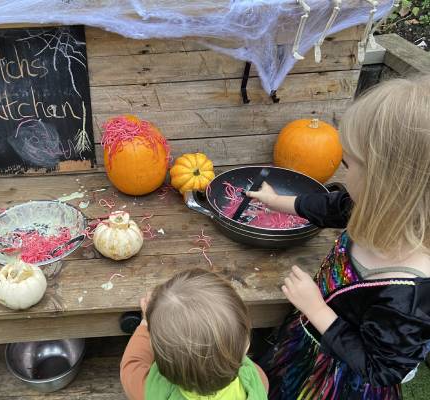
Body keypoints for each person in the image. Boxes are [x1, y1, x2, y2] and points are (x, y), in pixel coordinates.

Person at [248, 77, 430, 399]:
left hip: (336, 380)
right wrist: (278, 202)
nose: (343, 175)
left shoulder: (411, 294)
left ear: (382, 181)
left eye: (349, 164)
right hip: (307, 340)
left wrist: (316, 309)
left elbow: (381, 369)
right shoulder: (371, 208)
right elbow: (330, 206)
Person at [120, 268, 269, 399]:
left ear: (154, 347)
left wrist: (145, 324)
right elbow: (261, 382)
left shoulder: (151, 390)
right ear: (245, 347)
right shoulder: (257, 382)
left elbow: (131, 366)